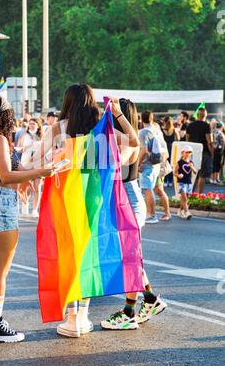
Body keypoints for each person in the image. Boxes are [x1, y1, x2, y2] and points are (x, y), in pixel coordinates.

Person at [32, 84, 140, 338]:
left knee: (67, 254)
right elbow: (134, 141)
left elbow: (36, 160)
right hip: (95, 198)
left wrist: (57, 160)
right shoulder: (103, 126)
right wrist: (117, 113)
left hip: (65, 201)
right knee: (88, 255)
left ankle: (71, 319)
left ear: (67, 102)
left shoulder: (59, 128)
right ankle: (82, 318)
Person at [0, 96, 55, 344]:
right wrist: (40, 172)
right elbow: (5, 176)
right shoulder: (0, 139)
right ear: (4, 118)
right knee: (0, 271)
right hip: (1, 204)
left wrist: (27, 176)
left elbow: (4, 173)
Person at [100, 99, 167, 330]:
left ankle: (129, 312)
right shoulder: (119, 139)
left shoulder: (127, 141)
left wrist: (115, 115)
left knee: (128, 258)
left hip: (128, 201)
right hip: (128, 199)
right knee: (129, 256)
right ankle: (150, 299)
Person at [138, 111, 168, 224]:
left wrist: (137, 164)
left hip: (147, 165)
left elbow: (144, 150)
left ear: (141, 118)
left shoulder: (143, 133)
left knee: (148, 189)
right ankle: (152, 214)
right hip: (156, 164)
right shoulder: (157, 131)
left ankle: (151, 215)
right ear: (152, 118)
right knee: (154, 189)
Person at [19, 118, 44, 217]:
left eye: (33, 124)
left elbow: (45, 149)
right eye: (30, 124)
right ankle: (25, 204)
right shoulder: (25, 136)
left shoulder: (42, 137)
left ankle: (34, 210)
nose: (31, 126)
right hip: (27, 163)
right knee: (28, 187)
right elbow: (20, 147)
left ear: (38, 125)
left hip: (38, 164)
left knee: (37, 187)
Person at [186, 108, 214, 194]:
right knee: (202, 175)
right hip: (204, 152)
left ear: (197, 115)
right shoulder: (206, 125)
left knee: (193, 175)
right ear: (205, 115)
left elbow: (187, 140)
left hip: (192, 152)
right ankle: (199, 195)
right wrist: (212, 153)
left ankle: (190, 194)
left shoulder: (190, 125)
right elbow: (209, 141)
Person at [175, 145, 197, 219]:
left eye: (190, 152)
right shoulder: (179, 162)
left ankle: (180, 211)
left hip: (188, 182)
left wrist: (192, 167)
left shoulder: (191, 163)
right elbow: (174, 172)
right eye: (186, 152)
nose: (188, 154)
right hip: (181, 182)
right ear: (182, 153)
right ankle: (187, 212)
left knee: (185, 199)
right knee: (184, 198)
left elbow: (195, 172)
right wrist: (178, 175)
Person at [162, 116, 180, 187]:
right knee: (172, 165)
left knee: (165, 165)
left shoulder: (162, 130)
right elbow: (178, 139)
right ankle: (170, 180)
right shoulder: (174, 130)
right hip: (173, 149)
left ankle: (166, 180)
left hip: (165, 149)